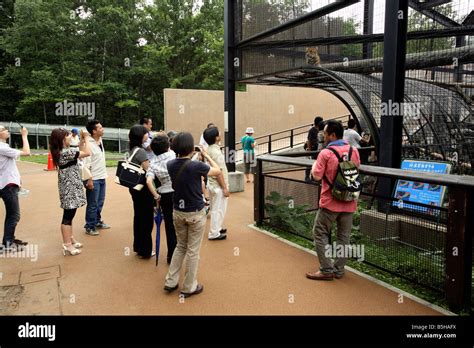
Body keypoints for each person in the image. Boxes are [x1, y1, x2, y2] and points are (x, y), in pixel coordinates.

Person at [163, 132, 221, 298]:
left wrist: (195, 156)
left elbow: (185, 165)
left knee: (180, 246)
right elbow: (216, 171)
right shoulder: (196, 166)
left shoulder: (170, 164)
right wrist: (205, 155)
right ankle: (189, 286)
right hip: (195, 212)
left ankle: (171, 281)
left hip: (177, 212)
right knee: (193, 251)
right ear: (190, 147)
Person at [306, 120, 360, 280]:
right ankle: (339, 270)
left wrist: (313, 166)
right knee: (344, 237)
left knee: (319, 232)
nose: (323, 135)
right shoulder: (353, 151)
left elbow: (316, 176)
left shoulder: (326, 153)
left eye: (325, 133)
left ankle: (326, 270)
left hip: (330, 202)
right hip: (349, 201)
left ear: (333, 135)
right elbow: (356, 170)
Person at [50, 128, 91, 256]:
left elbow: (79, 149)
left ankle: (70, 239)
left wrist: (83, 140)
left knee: (70, 215)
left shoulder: (62, 151)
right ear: (62, 139)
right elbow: (88, 152)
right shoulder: (66, 152)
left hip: (69, 187)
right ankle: (67, 244)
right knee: (67, 217)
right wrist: (87, 137)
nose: (70, 137)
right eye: (67, 136)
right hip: (70, 189)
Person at [146, 133, 177, 264]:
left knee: (169, 226)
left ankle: (171, 255)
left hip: (164, 195)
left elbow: (148, 181)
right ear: (168, 145)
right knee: (181, 224)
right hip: (178, 192)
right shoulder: (173, 156)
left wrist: (156, 196)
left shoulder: (153, 162)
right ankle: (180, 254)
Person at [0, 124, 31, 251]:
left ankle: (9, 239)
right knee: (14, 215)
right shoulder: (1, 147)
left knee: (12, 214)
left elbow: (9, 166)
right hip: (7, 186)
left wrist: (17, 179)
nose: (7, 130)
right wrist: (24, 136)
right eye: (3, 129)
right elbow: (27, 152)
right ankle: (8, 243)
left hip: (9, 183)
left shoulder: (4, 147)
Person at [128, 125, 154, 259]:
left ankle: (139, 246)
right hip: (143, 189)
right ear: (140, 136)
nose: (148, 135)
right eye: (146, 133)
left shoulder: (132, 149)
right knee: (147, 219)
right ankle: (146, 249)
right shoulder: (141, 152)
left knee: (138, 217)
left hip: (134, 187)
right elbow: (148, 170)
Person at [83, 120, 110, 236]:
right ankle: (89, 225)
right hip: (93, 178)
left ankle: (97, 221)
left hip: (102, 176)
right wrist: (89, 179)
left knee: (100, 202)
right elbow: (85, 163)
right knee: (93, 203)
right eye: (100, 127)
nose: (102, 129)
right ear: (94, 131)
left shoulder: (100, 140)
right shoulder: (87, 143)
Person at [203, 126, 230, 241]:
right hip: (218, 185)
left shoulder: (209, 150)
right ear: (216, 137)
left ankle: (217, 228)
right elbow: (219, 172)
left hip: (212, 184)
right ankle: (214, 233)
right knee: (218, 209)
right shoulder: (215, 152)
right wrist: (224, 187)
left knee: (215, 208)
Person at [305, 116, 324, 182]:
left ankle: (313, 177)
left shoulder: (320, 130)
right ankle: (307, 177)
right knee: (311, 163)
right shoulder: (312, 130)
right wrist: (309, 150)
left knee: (316, 163)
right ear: (318, 122)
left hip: (318, 149)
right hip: (313, 149)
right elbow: (309, 140)